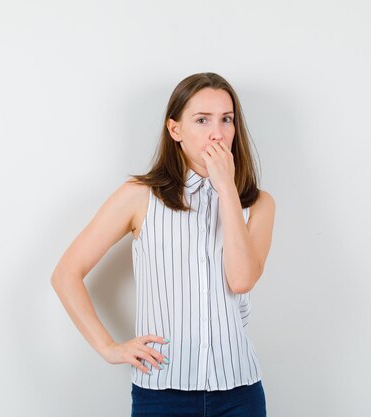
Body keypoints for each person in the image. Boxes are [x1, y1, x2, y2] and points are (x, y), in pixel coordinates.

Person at [51, 72, 275, 417]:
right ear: (176, 130)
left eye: (226, 119)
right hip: (161, 394)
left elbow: (242, 279)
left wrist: (227, 190)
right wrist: (109, 348)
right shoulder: (139, 197)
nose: (217, 132)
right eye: (202, 120)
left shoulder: (258, 204)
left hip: (239, 393)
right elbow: (66, 273)